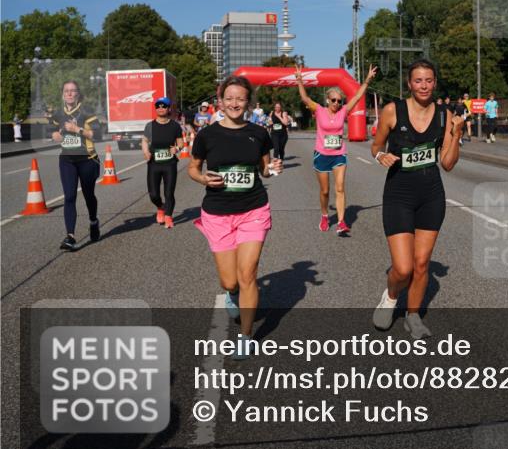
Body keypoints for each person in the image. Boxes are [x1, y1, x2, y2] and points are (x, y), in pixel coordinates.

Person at [188, 76, 281, 357]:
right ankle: (232, 294)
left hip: (253, 209)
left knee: (248, 274)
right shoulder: (207, 135)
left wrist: (272, 169)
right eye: (229, 98)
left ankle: (246, 336)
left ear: (248, 103)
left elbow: (264, 170)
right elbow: (193, 168)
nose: (234, 103)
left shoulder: (259, 133)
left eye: (240, 98)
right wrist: (204, 179)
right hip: (217, 213)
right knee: (230, 282)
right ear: (220, 102)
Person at [371, 59, 463, 339]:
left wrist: (456, 134)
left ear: (435, 82)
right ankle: (390, 296)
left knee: (422, 263)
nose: (424, 85)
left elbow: (447, 164)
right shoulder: (392, 111)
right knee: (403, 267)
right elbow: (376, 144)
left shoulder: (444, 115)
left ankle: (413, 316)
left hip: (431, 194)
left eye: (429, 80)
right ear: (409, 84)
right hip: (398, 194)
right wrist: (379, 155)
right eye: (418, 81)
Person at [296, 63, 376, 235]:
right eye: (333, 100)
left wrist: (367, 80)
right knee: (325, 191)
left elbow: (357, 95)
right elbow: (305, 99)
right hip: (322, 154)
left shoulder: (343, 111)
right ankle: (325, 215)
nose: (337, 103)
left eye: (339, 101)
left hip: (339, 154)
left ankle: (341, 222)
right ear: (327, 100)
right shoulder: (319, 110)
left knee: (340, 188)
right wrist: (300, 82)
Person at [49, 80, 101, 251]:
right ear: (63, 94)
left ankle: (93, 221)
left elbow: (98, 134)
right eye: (66, 91)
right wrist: (55, 136)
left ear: (78, 94)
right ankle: (70, 236)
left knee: (88, 195)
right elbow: (53, 132)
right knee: (69, 196)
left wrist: (76, 129)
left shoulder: (87, 111)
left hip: (87, 160)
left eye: (73, 91)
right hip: (67, 161)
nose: (69, 94)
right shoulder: (57, 113)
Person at [142, 97, 186, 229]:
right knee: (153, 194)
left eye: (164, 106)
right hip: (154, 163)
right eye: (158, 106)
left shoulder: (174, 126)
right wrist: (146, 152)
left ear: (168, 109)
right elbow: (144, 140)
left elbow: (181, 142)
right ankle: (160, 207)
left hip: (169, 164)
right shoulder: (150, 126)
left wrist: (177, 148)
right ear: (156, 108)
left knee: (169, 192)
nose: (161, 108)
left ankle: (168, 216)